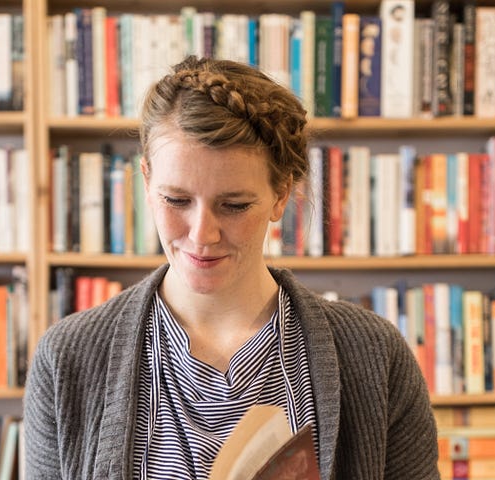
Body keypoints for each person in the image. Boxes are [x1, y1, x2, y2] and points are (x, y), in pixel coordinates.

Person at [23, 56, 438, 479]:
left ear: (280, 196)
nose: (202, 234)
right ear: (147, 182)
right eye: (176, 201)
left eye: (234, 205)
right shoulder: (66, 359)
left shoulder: (374, 354)